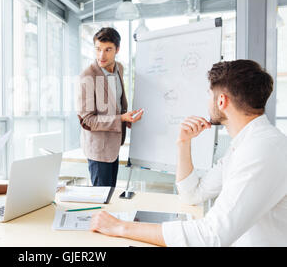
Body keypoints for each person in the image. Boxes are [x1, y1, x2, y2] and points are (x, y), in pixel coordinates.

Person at [90, 59, 287, 247]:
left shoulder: (260, 150)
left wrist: (120, 227)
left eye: (209, 94)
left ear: (221, 101)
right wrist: (183, 143)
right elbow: (192, 194)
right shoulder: (247, 144)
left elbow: (211, 236)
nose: (207, 100)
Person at [77, 27, 143, 187]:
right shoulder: (88, 76)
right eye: (98, 49)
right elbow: (87, 121)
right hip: (98, 149)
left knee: (110, 195)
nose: (101, 55)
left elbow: (116, 102)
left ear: (117, 49)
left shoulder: (119, 68)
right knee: (101, 200)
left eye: (108, 50)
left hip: (114, 145)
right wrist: (120, 118)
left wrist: (125, 118)